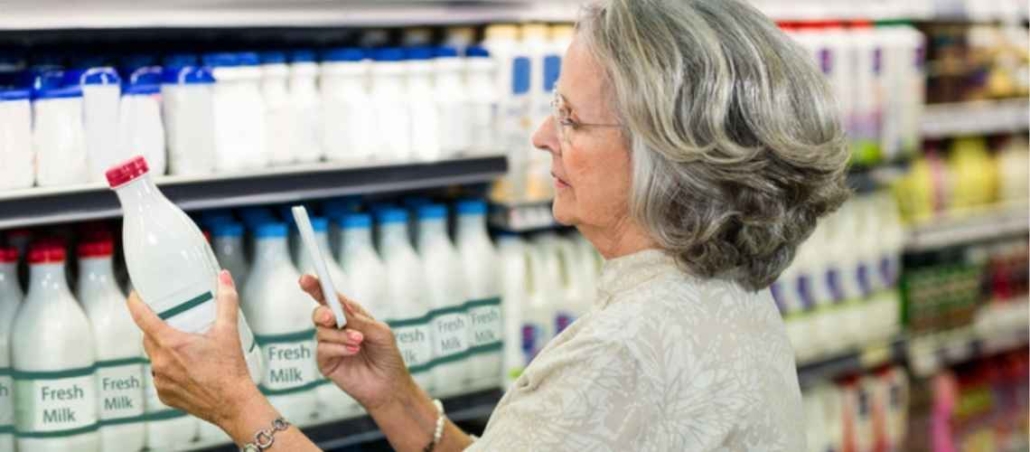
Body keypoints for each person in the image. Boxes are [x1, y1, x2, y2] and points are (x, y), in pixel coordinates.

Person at [127, 0, 850, 450]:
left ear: (665, 155)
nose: (541, 136)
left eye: (570, 117)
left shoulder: (624, 354)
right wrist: (398, 401)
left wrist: (238, 407)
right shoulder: (720, 292)